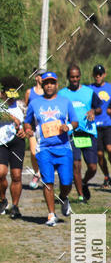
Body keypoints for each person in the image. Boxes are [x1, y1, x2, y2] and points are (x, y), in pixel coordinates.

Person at [23, 72, 78, 226]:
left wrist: (68, 126)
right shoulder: (35, 103)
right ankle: (51, 214)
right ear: (42, 84)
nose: (49, 85)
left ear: (56, 84)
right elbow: (27, 122)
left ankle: (64, 197)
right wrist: (28, 129)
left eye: (52, 83)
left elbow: (75, 121)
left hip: (64, 147)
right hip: (44, 149)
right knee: (48, 182)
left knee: (67, 182)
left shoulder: (65, 102)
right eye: (46, 83)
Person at [58, 64, 101, 202]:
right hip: (71, 133)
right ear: (68, 78)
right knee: (76, 164)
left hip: (88, 132)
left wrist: (93, 111)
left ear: (80, 76)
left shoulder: (89, 92)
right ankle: (81, 195)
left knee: (93, 167)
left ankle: (84, 181)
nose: (75, 79)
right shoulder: (62, 94)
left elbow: (99, 108)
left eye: (77, 76)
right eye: (72, 77)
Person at [89, 64, 111, 188]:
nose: (98, 76)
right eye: (96, 74)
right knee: (100, 154)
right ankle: (106, 177)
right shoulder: (89, 89)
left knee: (110, 148)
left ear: (104, 75)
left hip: (108, 123)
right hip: (94, 125)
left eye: (100, 74)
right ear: (93, 75)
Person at [0, 76, 26, 219]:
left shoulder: (21, 105)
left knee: (16, 176)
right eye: (7, 96)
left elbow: (30, 124)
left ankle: (15, 206)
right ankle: (2, 199)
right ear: (2, 92)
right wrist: (12, 118)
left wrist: (26, 131)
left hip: (17, 142)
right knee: (1, 173)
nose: (11, 100)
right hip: (1, 142)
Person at [24, 68, 44, 188]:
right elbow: (25, 108)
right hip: (32, 126)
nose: (43, 78)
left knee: (44, 152)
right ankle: (37, 173)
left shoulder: (49, 92)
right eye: (41, 76)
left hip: (45, 127)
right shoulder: (29, 92)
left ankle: (41, 174)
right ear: (36, 77)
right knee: (33, 152)